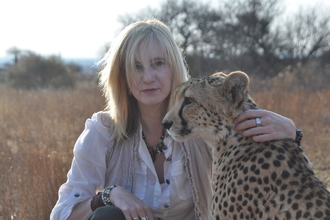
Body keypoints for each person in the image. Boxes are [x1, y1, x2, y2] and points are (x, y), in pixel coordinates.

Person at [50, 19, 301, 220]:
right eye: (136, 67)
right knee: (106, 216)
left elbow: (282, 183)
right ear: (123, 77)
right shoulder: (101, 131)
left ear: (174, 69)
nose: (147, 77)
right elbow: (62, 214)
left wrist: (293, 135)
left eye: (157, 63)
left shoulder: (208, 123)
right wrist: (108, 195)